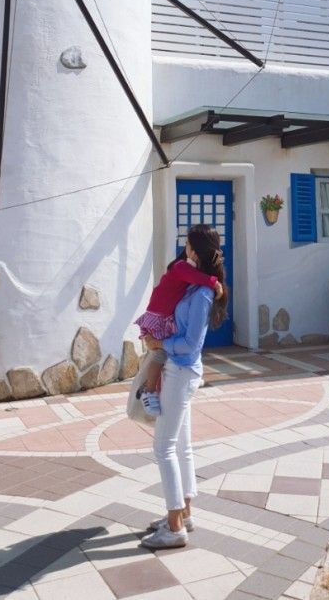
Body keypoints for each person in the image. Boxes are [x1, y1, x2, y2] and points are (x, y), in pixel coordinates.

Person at [139, 224, 228, 550]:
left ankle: (174, 526)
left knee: (163, 448)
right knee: (181, 447)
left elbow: (191, 344)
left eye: (188, 246)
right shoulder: (194, 287)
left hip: (181, 371)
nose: (184, 250)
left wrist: (158, 342)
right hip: (181, 371)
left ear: (196, 251)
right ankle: (184, 513)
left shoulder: (202, 294)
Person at [134, 244, 223, 417]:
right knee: (159, 355)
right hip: (159, 316)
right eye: (191, 247)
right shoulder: (181, 267)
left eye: (194, 247)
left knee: (163, 355)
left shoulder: (190, 278)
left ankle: (155, 387)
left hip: (164, 317)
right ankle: (149, 391)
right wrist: (214, 282)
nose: (193, 252)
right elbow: (196, 276)